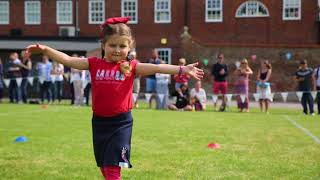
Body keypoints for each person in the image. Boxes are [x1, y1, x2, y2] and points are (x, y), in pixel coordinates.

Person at [26, 16, 203, 180]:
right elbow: (69, 60)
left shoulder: (132, 66)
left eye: (122, 46)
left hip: (121, 124)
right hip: (99, 122)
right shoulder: (94, 64)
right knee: (104, 165)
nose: (117, 50)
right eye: (113, 45)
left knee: (112, 167)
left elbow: (157, 68)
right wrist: (45, 49)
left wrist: (181, 69)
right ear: (103, 45)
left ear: (129, 47)